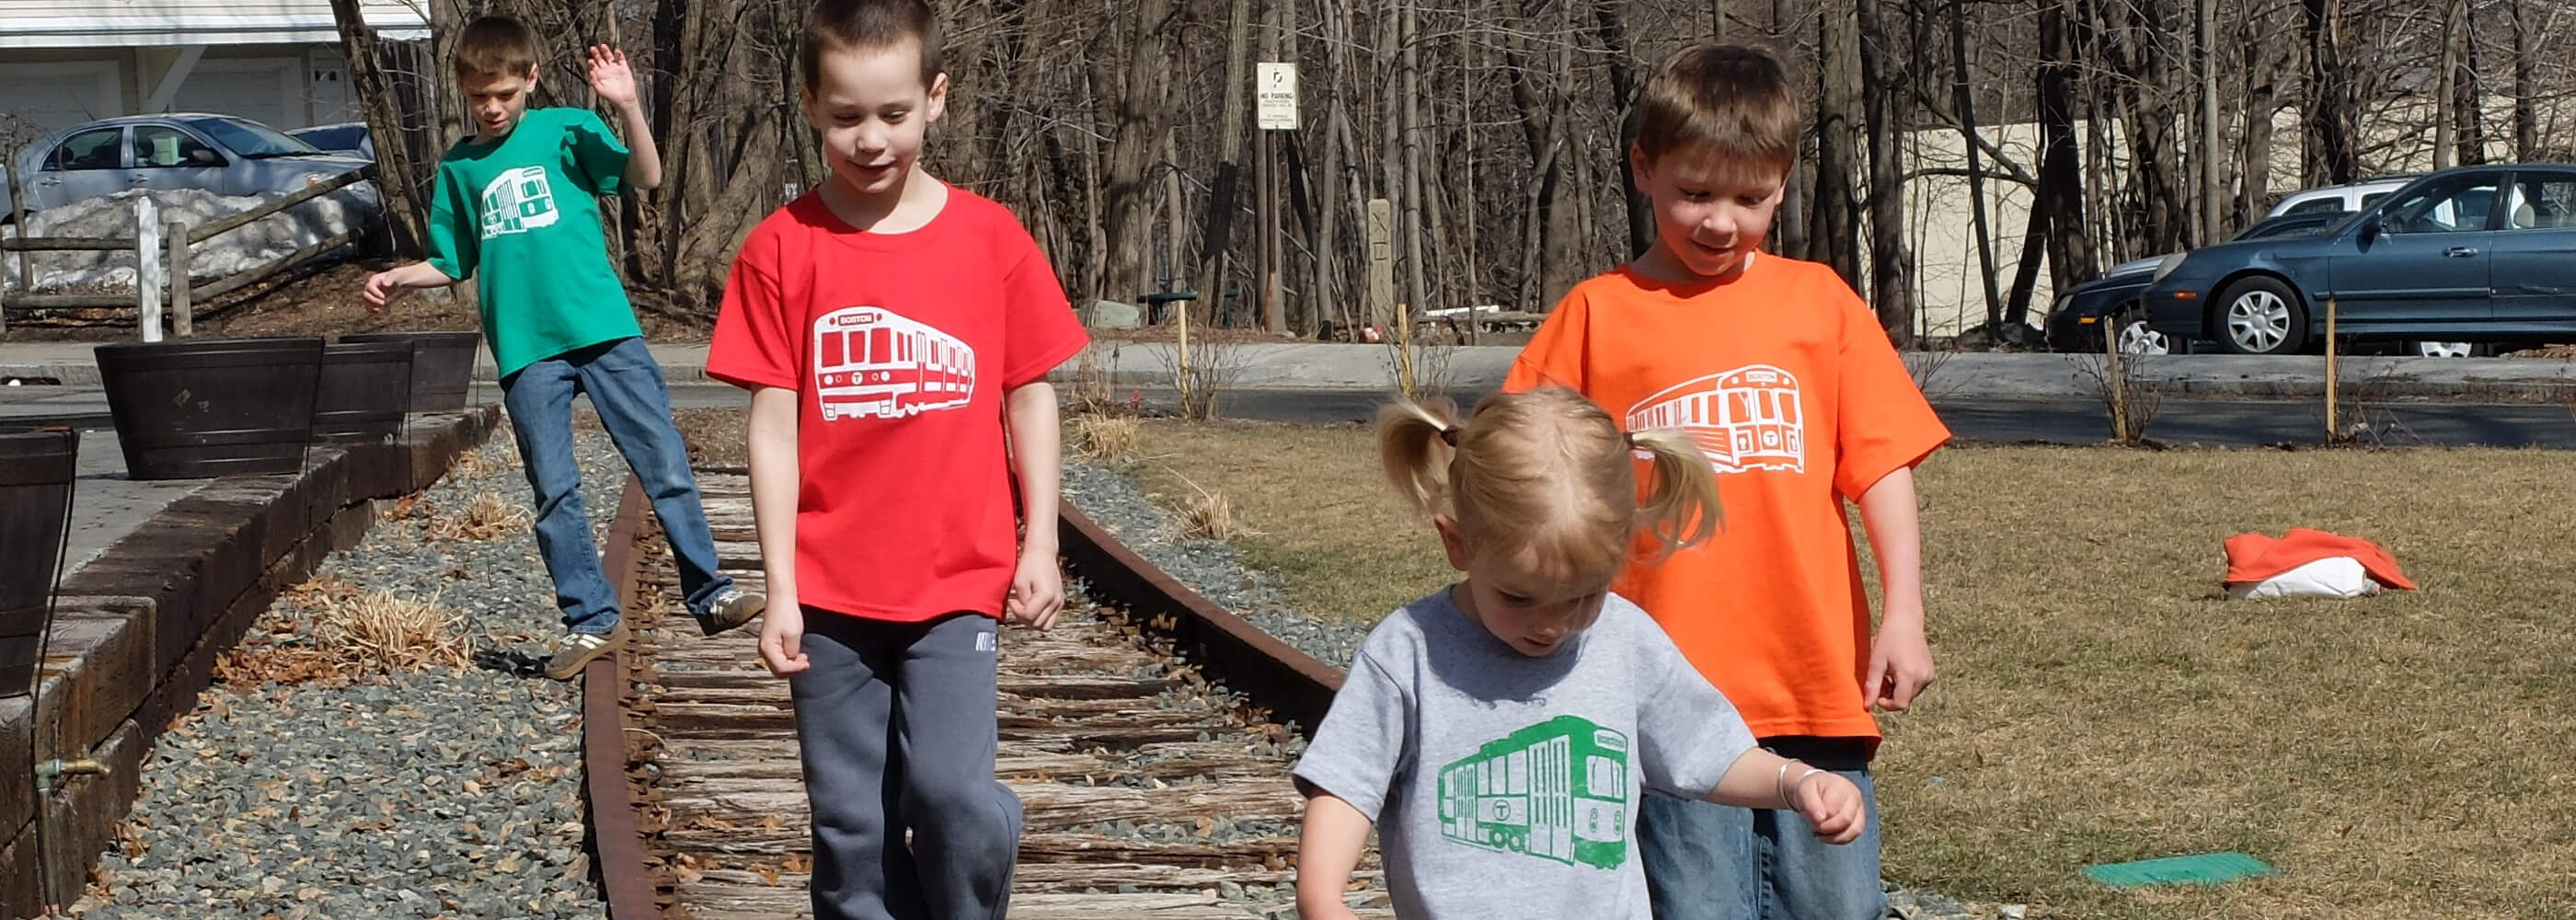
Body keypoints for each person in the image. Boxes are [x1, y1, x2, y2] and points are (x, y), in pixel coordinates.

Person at [1502, 40, 1952, 920]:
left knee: (1839, 905)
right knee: (1698, 904)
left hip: (1811, 677)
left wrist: (1903, 614)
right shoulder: (1595, 315)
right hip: (1663, 686)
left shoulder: (1819, 303)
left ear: (1783, 183)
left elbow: (1881, 467)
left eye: (1751, 199)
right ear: (1644, 169)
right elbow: (1523, 467)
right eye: (1695, 193)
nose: (1721, 222)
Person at [702, 0, 1089, 917]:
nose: (870, 139)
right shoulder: (780, 251)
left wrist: (1039, 545)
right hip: (833, 590)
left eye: (893, 114)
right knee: (851, 827)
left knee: (953, 798)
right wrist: (782, 588)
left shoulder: (989, 240)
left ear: (935, 98)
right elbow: (772, 427)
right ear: (809, 105)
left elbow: (1029, 392)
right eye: (845, 118)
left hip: (958, 578)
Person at [1291, 387, 1868, 920]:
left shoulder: (1626, 640)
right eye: (1519, 596)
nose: (1552, 624)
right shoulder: (1409, 650)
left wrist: (1794, 781)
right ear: (1457, 543)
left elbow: (1707, 753)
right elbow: (1347, 784)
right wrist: (1322, 893)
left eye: (1585, 595)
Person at [362, 15, 762, 681]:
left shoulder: (568, 128)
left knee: (662, 462)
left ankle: (710, 593)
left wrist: (628, 106)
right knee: (554, 490)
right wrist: (402, 277)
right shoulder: (461, 167)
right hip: (525, 351)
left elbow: (648, 175)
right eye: (478, 97)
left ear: (531, 81)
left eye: (505, 95)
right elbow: (452, 260)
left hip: (603, 329)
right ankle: (590, 620)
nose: (492, 109)